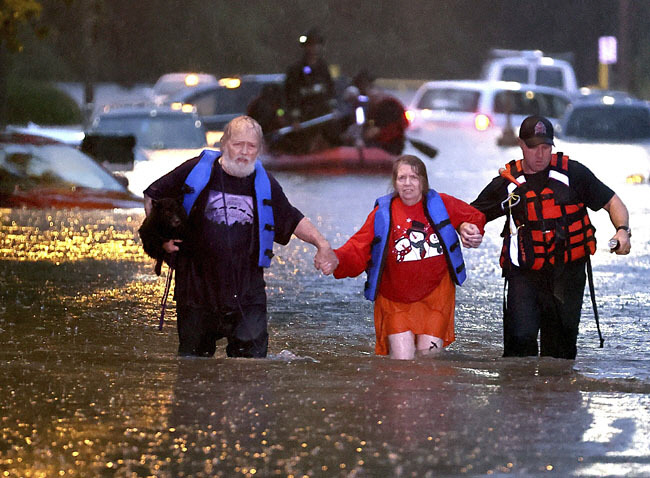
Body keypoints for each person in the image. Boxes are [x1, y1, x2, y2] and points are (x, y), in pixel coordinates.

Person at [143, 116, 335, 358]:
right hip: (196, 289)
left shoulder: (264, 183)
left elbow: (292, 218)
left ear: (259, 149)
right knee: (193, 368)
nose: (244, 152)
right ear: (224, 144)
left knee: (252, 369)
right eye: (238, 144)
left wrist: (322, 244)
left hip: (247, 290)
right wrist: (161, 242)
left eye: (251, 146)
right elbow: (152, 196)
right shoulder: (196, 170)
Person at [471, 115, 631, 359]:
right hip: (524, 273)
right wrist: (466, 228)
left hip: (567, 274)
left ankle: (556, 396)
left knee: (558, 356)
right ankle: (521, 396)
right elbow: (472, 215)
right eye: (533, 147)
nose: (540, 154)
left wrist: (623, 231)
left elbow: (612, 202)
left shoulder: (573, 173)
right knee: (519, 347)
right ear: (521, 145)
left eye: (546, 147)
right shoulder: (508, 184)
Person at [316, 155, 485, 360]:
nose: (407, 183)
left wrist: (467, 228)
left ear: (423, 181)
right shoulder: (382, 213)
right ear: (394, 183)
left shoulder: (442, 203)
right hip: (394, 298)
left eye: (413, 177)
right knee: (402, 364)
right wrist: (336, 259)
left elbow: (473, 216)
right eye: (401, 178)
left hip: (436, 297)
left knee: (429, 362)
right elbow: (357, 248)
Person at [283, 28, 338, 153]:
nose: (314, 48)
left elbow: (330, 92)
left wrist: (333, 109)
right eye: (311, 45)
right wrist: (294, 119)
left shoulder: (324, 69)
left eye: (317, 45)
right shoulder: (295, 70)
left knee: (334, 132)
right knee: (300, 142)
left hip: (323, 116)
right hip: (304, 118)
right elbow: (290, 96)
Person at [345, 69, 409, 155]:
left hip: (387, 148)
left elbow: (400, 125)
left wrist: (377, 132)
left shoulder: (385, 103)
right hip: (385, 146)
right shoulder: (376, 102)